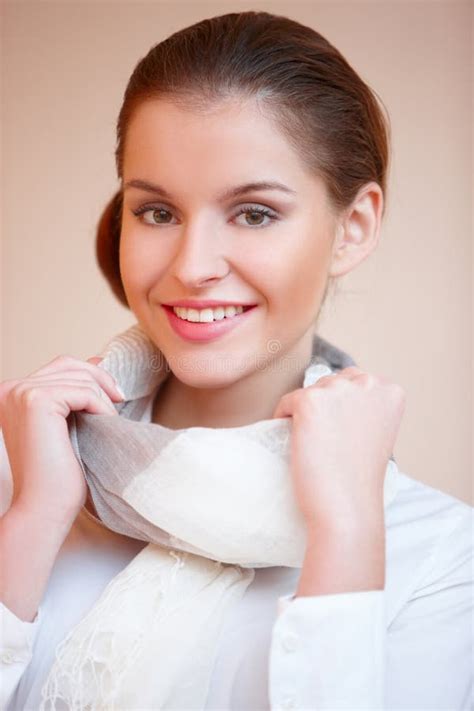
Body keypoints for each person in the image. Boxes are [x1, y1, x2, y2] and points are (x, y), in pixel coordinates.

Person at [0, 9, 472, 711]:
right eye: (157, 212)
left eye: (253, 212)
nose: (192, 268)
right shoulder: (24, 470)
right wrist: (34, 518)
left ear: (354, 226)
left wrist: (346, 531)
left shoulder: (435, 550)